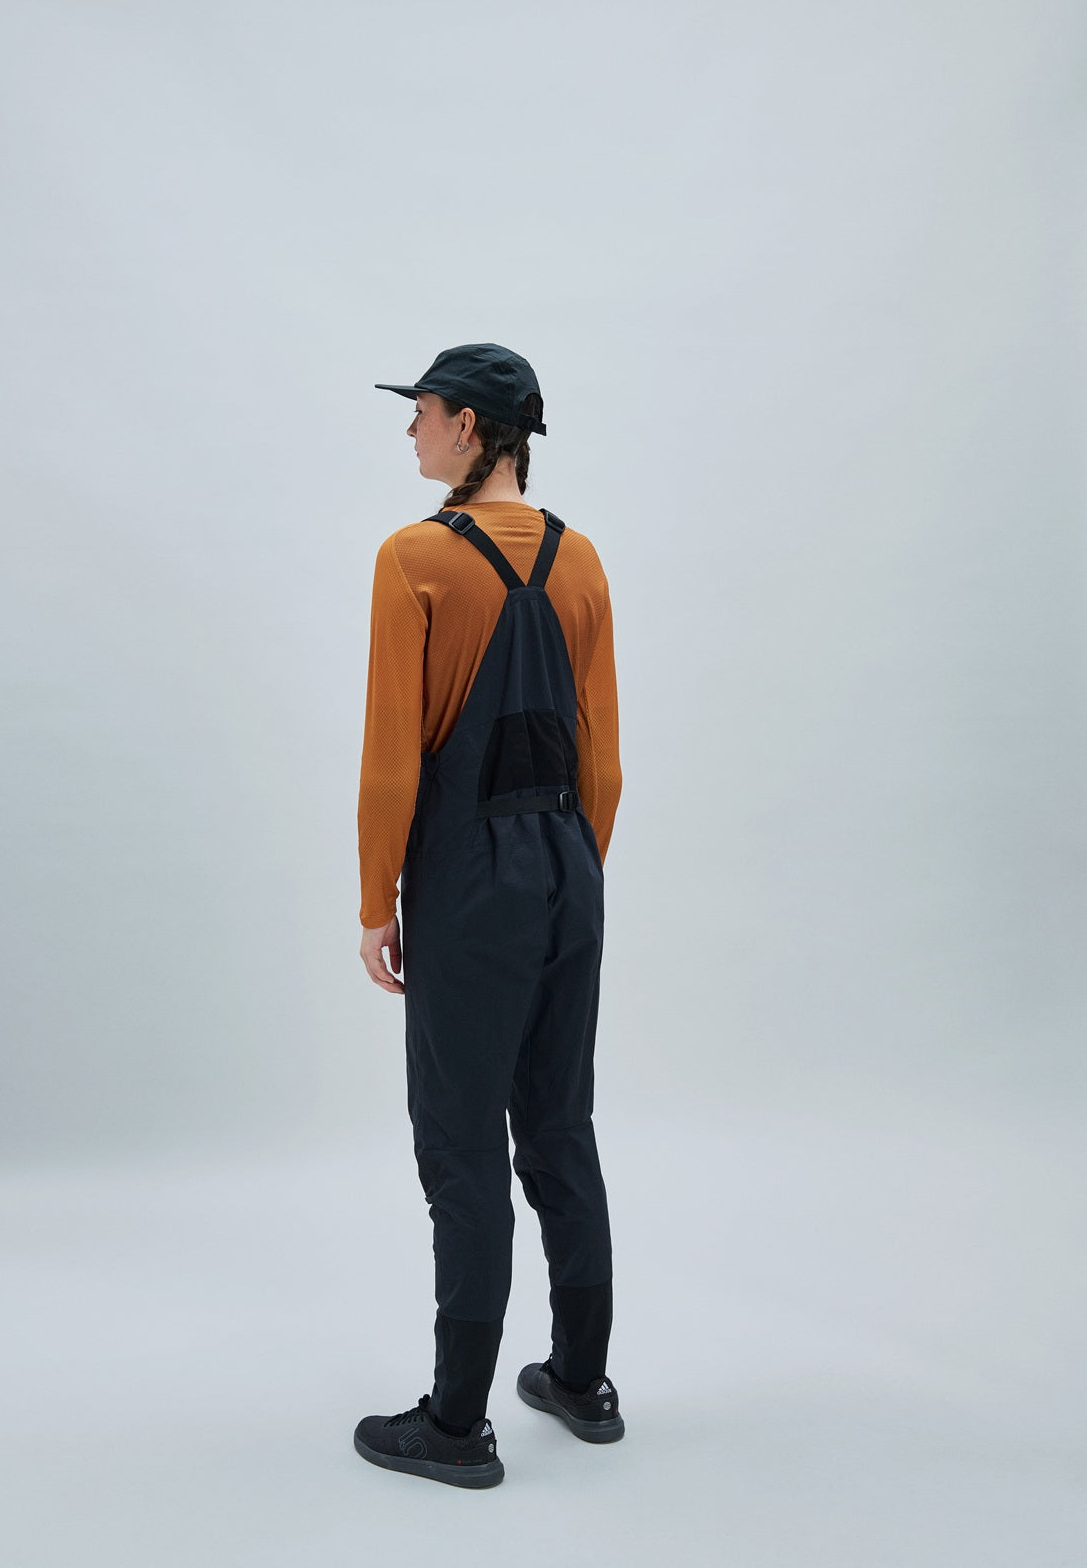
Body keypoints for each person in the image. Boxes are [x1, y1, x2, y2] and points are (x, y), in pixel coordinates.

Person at [353, 343, 623, 1489]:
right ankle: (580, 1380)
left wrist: (378, 900)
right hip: (567, 866)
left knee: (461, 1143)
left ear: (467, 426)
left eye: (419, 412)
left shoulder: (412, 558)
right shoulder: (580, 558)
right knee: (558, 1127)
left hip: (468, 880)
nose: (409, 432)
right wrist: (567, 876)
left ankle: (456, 1425)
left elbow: (390, 761)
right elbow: (603, 763)